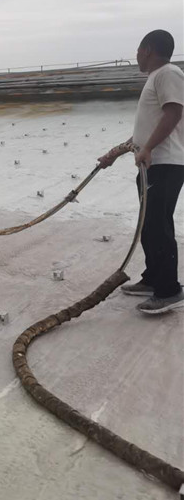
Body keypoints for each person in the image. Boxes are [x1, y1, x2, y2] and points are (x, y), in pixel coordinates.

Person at [98, 30, 184, 314]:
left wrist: (147, 148)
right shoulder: (156, 77)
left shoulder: (168, 73)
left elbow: (174, 113)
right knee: (148, 226)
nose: (136, 55)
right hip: (152, 164)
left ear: (147, 49)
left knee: (158, 225)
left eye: (137, 50)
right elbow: (145, 130)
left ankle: (169, 291)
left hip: (166, 163)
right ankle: (153, 279)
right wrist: (116, 153)